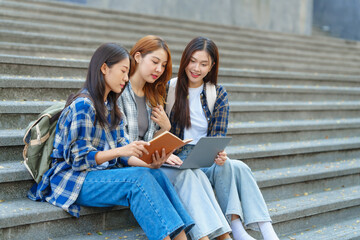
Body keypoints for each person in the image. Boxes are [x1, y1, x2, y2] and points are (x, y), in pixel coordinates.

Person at [27, 43, 194, 240]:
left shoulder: (112, 108)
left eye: (128, 72)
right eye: (123, 71)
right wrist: (120, 152)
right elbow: (78, 160)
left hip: (98, 176)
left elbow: (126, 156)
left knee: (153, 174)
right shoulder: (83, 105)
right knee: (138, 180)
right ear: (104, 68)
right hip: (73, 180)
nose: (126, 78)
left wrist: (150, 162)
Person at [118, 35, 232, 240]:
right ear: (137, 57)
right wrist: (156, 154)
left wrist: (166, 134)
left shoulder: (153, 95)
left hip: (153, 160)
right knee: (187, 175)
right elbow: (121, 145)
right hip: (135, 165)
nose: (159, 70)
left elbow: (152, 137)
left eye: (163, 65)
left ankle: (222, 236)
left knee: (195, 173)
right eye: (155, 62)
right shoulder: (120, 92)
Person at [168, 37, 280, 240]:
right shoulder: (170, 89)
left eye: (203, 64)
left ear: (212, 67)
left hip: (203, 156)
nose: (196, 68)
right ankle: (236, 230)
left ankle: (264, 229)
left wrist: (218, 154)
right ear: (184, 60)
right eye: (192, 61)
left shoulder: (217, 93)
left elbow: (217, 136)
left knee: (234, 166)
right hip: (178, 158)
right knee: (227, 167)